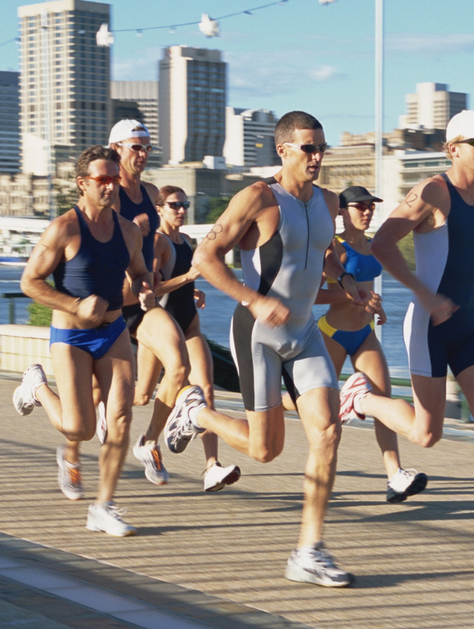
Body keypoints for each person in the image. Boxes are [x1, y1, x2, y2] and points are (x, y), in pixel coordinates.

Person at [163, 111, 369, 587]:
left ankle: (309, 551)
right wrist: (252, 299)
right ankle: (198, 414)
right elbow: (204, 258)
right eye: (308, 148)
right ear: (284, 150)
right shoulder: (257, 198)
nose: (318, 157)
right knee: (265, 449)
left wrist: (348, 281)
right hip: (258, 333)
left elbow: (329, 251)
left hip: (305, 333)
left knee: (328, 433)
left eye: (321, 148)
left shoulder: (329, 201)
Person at [366, 110, 474, 571]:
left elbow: (473, 242)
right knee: (426, 433)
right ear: (452, 148)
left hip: (468, 323)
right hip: (427, 325)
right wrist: (425, 293)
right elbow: (381, 244)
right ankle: (363, 399)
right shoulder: (431, 192)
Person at [12, 145, 153, 537]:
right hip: (71, 336)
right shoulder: (64, 229)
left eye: (115, 179)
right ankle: (37, 387)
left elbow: (141, 272)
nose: (111, 187)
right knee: (80, 428)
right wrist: (75, 304)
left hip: (112, 332)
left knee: (121, 420)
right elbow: (29, 282)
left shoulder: (128, 231)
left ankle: (103, 506)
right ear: (82, 184)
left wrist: (143, 290)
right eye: (102, 180)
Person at [284, 185, 427, 503]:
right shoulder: (334, 249)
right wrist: (349, 294)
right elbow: (311, 297)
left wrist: (375, 306)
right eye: (359, 207)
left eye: (371, 207)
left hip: (364, 335)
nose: (367, 212)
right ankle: (273, 406)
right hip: (331, 334)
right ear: (341, 213)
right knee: (316, 405)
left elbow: (368, 291)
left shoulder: (376, 247)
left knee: (382, 400)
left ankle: (395, 476)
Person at [104, 120, 187, 489]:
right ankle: (38, 389)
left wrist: (157, 271)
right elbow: (101, 241)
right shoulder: (108, 193)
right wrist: (132, 228)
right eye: (135, 146)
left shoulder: (151, 190)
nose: (143, 154)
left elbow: (153, 243)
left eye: (147, 147)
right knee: (91, 415)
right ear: (116, 149)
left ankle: (149, 441)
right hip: (108, 303)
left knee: (180, 365)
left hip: (142, 301)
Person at [143, 185, 241, 492]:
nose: (181, 210)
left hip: (189, 324)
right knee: (139, 396)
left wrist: (192, 289)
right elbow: (151, 289)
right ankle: (148, 441)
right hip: (161, 326)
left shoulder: (187, 241)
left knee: (205, 388)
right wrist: (187, 279)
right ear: (159, 209)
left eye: (185, 204)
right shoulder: (157, 242)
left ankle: (211, 466)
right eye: (174, 205)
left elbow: (181, 280)